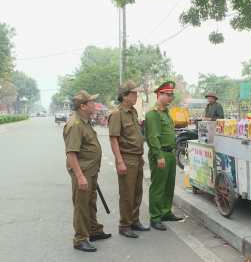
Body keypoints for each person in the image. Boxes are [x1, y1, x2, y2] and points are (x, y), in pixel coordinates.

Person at [63, 90, 111, 252]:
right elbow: (71, 153)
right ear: (83, 106)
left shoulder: (85, 121)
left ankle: (94, 230)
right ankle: (80, 239)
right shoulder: (75, 124)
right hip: (82, 172)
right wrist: (80, 176)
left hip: (90, 170)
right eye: (91, 102)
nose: (94, 105)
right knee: (82, 205)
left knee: (90, 203)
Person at [108, 80, 150, 239]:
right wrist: (119, 162)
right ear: (124, 96)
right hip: (126, 158)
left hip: (136, 158)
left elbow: (135, 135)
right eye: (133, 94)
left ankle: (134, 221)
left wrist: (140, 156)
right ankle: (124, 225)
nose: (136, 96)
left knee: (137, 191)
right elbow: (113, 140)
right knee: (127, 193)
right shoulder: (117, 114)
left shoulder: (132, 111)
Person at [145, 81, 183, 231]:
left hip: (169, 153)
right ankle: (155, 217)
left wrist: (172, 152)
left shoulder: (165, 112)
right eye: (168, 95)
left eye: (172, 95)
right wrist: (159, 156)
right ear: (159, 95)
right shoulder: (153, 113)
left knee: (169, 186)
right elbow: (153, 137)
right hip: (160, 154)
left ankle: (165, 212)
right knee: (158, 187)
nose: (170, 98)